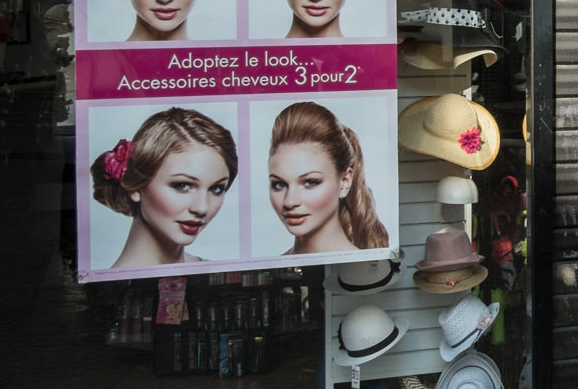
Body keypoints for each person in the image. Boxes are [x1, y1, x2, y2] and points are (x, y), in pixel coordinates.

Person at [90, 107, 238, 268]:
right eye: (182, 185)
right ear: (135, 186)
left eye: (216, 189)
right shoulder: (109, 288)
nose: (202, 208)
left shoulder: (217, 272)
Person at [267, 101, 388, 253]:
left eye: (310, 182)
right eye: (279, 184)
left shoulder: (361, 268)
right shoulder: (273, 266)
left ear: (345, 181)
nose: (290, 201)